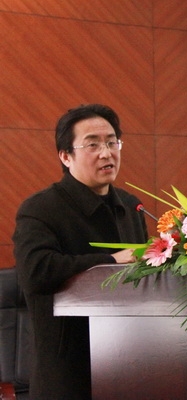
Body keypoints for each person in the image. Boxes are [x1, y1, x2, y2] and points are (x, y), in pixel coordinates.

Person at [12, 104, 148, 400]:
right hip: (68, 372)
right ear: (65, 155)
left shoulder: (130, 206)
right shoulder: (41, 209)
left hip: (130, 365)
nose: (106, 153)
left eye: (112, 142)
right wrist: (109, 261)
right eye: (93, 145)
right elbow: (36, 272)